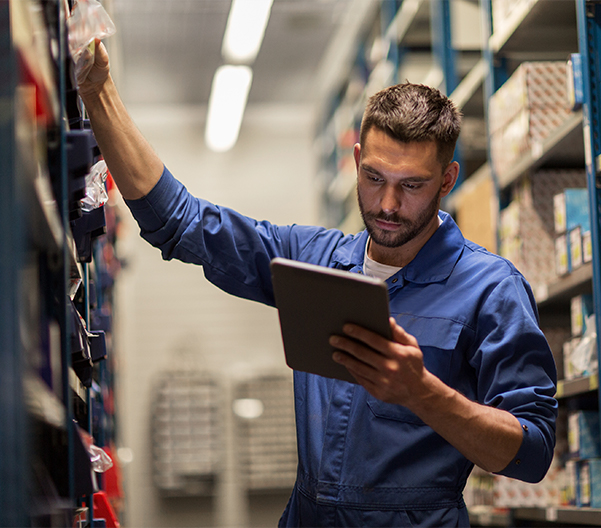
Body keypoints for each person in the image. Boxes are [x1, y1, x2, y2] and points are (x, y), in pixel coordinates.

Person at [79, 40, 557, 527]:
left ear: (447, 179)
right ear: (355, 160)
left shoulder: (491, 289)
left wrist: (423, 393)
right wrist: (98, 94)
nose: (387, 204)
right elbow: (182, 223)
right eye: (373, 177)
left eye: (411, 185)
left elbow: (533, 451)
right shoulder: (312, 260)